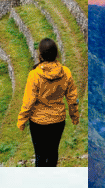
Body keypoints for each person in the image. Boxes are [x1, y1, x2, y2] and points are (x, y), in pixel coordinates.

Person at [17, 37, 79, 167]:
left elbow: (28, 101)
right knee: (52, 153)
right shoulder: (66, 72)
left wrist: (22, 120)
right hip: (58, 121)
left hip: (38, 122)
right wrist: (74, 116)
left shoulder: (34, 75)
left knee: (40, 155)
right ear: (57, 54)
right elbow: (72, 98)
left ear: (40, 55)